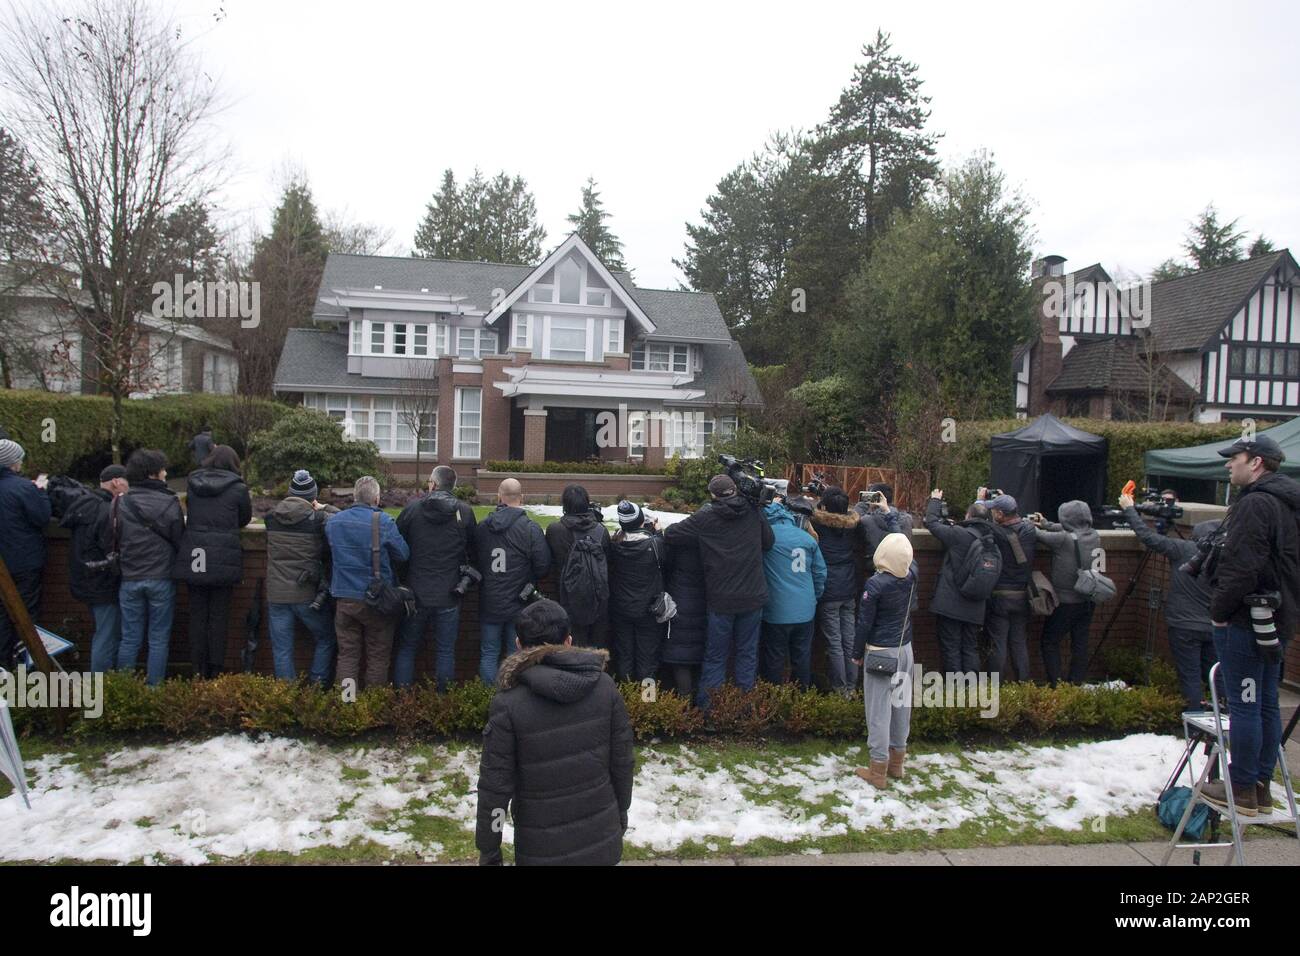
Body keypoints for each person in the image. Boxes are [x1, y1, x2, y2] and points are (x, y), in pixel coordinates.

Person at [475, 598, 634, 866]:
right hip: (601, 840)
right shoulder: (605, 688)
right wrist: (621, 812)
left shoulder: (507, 704)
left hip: (540, 849)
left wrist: (489, 848)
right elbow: (623, 763)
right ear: (568, 642)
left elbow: (496, 788)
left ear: (518, 646)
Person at [1203, 434, 1300, 818]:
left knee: (1243, 704)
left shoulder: (1255, 504)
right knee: (1266, 703)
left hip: (1246, 620)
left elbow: (1242, 567)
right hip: (1279, 617)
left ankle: (1241, 786)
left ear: (1256, 462)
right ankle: (1260, 785)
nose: (1229, 465)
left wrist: (1220, 611)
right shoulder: (1288, 503)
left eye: (1235, 458)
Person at [663, 475, 774, 708]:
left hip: (721, 599)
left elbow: (672, 534)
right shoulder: (753, 511)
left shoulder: (706, 516)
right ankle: (745, 710)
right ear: (734, 490)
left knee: (715, 656)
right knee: (746, 654)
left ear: (712, 494)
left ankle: (709, 710)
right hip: (752, 595)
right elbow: (768, 542)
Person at [1118, 491, 1219, 709]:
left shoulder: (1183, 549)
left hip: (1183, 625)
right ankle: (1223, 717)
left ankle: (1194, 720)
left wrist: (1129, 509)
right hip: (1213, 625)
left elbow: (1147, 537)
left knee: (1189, 676)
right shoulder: (1225, 558)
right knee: (1215, 675)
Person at [394, 465, 477, 690]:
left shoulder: (412, 510)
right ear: (454, 486)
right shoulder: (464, 512)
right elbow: (474, 550)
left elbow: (396, 546)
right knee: (445, 650)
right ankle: (443, 702)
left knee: (407, 647)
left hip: (415, 592)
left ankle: (402, 700)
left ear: (433, 483)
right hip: (450, 592)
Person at [173, 445, 252, 678]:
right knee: (219, 617)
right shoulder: (238, 489)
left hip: (196, 555)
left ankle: (197, 668)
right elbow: (244, 517)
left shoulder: (193, 484)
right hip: (222, 558)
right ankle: (215, 669)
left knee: (197, 615)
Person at [324, 476, 409, 690]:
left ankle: (347, 704)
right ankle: (374, 706)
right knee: (378, 656)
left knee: (347, 655)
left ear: (354, 496)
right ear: (377, 498)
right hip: (376, 599)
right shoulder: (383, 522)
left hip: (344, 597)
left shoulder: (334, 523)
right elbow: (403, 554)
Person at [852, 525, 918, 789]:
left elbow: (864, 623)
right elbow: (907, 555)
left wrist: (857, 653)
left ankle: (878, 770)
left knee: (878, 711)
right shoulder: (912, 575)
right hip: (905, 649)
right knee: (901, 705)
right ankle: (896, 764)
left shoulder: (875, 584)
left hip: (881, 652)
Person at [114, 449, 185, 685]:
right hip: (161, 577)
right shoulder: (170, 502)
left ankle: (123, 691)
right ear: (154, 474)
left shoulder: (121, 503)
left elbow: (111, 537)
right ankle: (154, 692)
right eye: (163, 469)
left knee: (129, 638)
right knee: (158, 639)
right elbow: (178, 537)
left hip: (129, 576)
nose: (166, 473)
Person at [265, 469, 338, 685]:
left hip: (276, 594)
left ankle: (286, 694)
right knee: (326, 638)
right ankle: (317, 686)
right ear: (313, 496)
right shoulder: (318, 519)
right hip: (306, 594)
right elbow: (343, 520)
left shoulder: (272, 518)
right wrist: (325, 507)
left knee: (282, 648)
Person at [474, 478, 551, 685]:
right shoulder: (530, 528)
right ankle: (511, 697)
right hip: (520, 601)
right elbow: (543, 565)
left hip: (490, 599)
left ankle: (487, 698)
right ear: (522, 498)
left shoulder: (483, 527)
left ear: (499, 497)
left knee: (489, 652)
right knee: (514, 653)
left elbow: (475, 559)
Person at [58, 465, 128, 673]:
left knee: (103, 632)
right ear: (116, 482)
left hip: (83, 578)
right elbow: (110, 547)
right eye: (126, 482)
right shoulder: (106, 510)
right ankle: (101, 687)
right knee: (107, 635)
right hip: (102, 582)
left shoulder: (84, 504)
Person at [1030, 500, 1104, 685]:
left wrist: (1025, 522)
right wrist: (1047, 523)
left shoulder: (1063, 539)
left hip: (1066, 601)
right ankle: (1076, 683)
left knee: (1049, 641)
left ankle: (1057, 686)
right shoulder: (1094, 536)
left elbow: (1036, 534)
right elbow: (1070, 530)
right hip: (1089, 599)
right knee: (1080, 643)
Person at [923, 491, 997, 676]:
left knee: (951, 648)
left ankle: (955, 694)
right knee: (970, 648)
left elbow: (931, 523)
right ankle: (970, 694)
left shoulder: (958, 534)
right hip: (976, 605)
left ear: (968, 516)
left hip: (951, 604)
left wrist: (935, 501)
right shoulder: (991, 542)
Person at [759, 496, 826, 687]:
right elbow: (820, 573)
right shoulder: (807, 539)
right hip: (805, 610)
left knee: (774, 657)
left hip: (776, 610)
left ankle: (773, 699)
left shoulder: (767, 538)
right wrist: (813, 598)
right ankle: (801, 699)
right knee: (802, 658)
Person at [811, 487, 867, 695]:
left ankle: (840, 688)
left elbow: (813, 511)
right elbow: (857, 512)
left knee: (834, 641)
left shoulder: (818, 525)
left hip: (829, 591)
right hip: (849, 589)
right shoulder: (853, 526)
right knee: (850, 640)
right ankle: (852, 688)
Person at [0, 439, 51, 668]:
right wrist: (40, 492)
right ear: (13, 462)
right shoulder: (23, 488)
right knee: (26, 615)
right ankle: (24, 667)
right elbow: (41, 517)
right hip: (24, 561)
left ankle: (2, 665)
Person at [543, 484, 611, 649]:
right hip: (597, 599)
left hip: (566, 597)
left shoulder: (555, 530)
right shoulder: (601, 532)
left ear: (564, 505)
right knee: (596, 650)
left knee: (571, 647)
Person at [607, 501, 669, 682]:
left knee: (624, 655)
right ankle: (646, 702)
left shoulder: (615, 544)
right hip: (648, 610)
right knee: (648, 660)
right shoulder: (655, 544)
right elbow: (665, 557)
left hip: (621, 608)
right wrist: (657, 531)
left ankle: (626, 698)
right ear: (641, 521)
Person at [981, 490, 1036, 681]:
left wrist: (980, 500)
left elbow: (978, 522)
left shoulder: (996, 532)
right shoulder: (1029, 530)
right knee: (1019, 643)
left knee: (998, 644)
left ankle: (996, 687)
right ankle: (1023, 684)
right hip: (1022, 595)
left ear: (1000, 515)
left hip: (1000, 596)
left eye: (995, 510)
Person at [662, 534, 706, 703]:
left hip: (678, 604)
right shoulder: (707, 551)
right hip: (701, 604)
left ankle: (683, 702)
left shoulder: (677, 552)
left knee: (680, 659)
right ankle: (697, 701)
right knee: (696, 655)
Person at [856, 482, 914, 557]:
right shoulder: (906, 519)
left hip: (874, 564)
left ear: (873, 499)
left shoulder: (866, 520)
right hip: (900, 565)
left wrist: (863, 503)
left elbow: (855, 521)